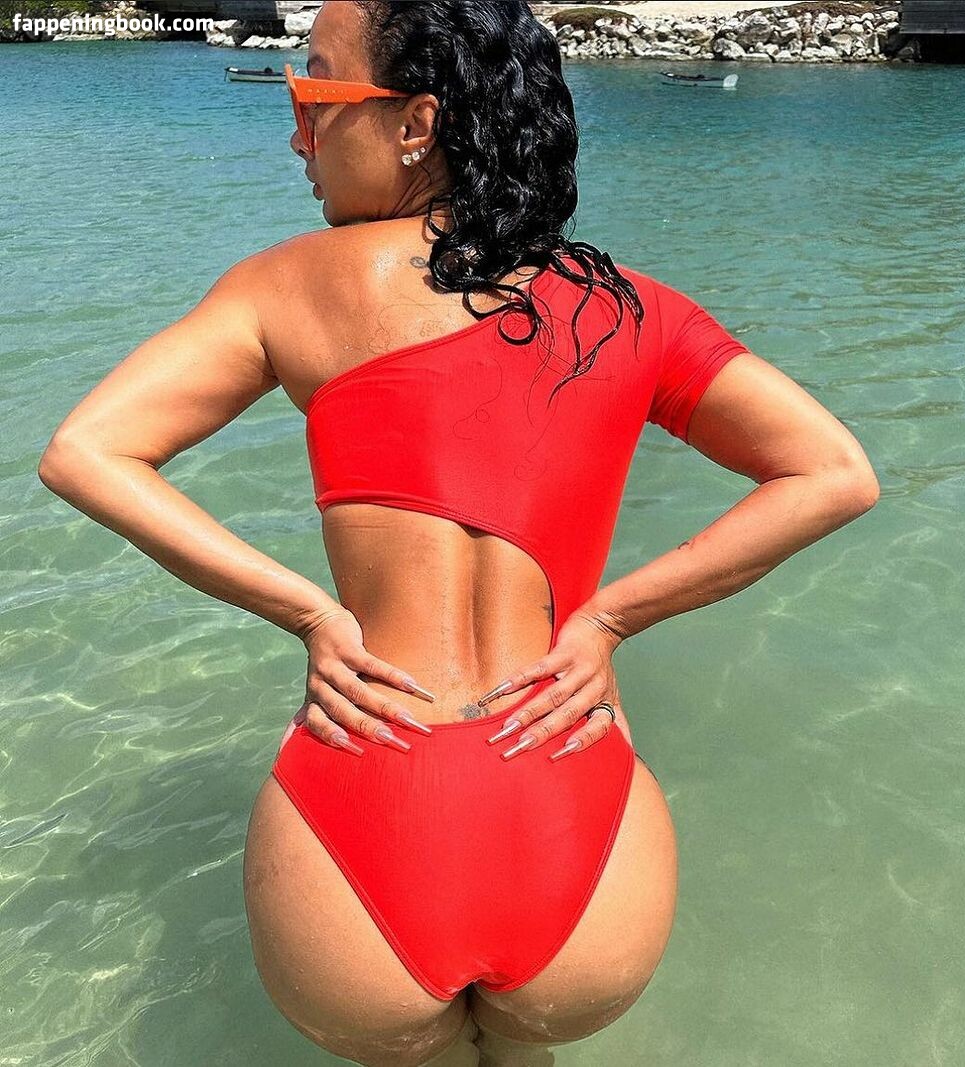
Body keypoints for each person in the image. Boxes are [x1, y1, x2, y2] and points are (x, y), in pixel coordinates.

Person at [37, 3, 879, 1065]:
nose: (295, 134)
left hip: (369, 792)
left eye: (312, 93)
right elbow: (834, 473)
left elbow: (86, 451)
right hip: (574, 805)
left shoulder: (288, 285)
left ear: (415, 122)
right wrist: (611, 620)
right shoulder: (633, 308)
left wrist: (307, 613)